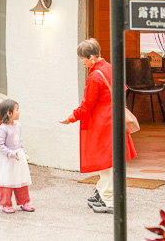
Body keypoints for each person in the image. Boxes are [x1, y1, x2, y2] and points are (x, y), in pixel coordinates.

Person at [60, 38, 136, 214]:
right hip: (114, 118)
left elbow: (87, 105)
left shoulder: (95, 76)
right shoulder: (110, 68)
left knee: (106, 163)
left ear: (92, 57)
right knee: (111, 161)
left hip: (103, 122)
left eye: (83, 59)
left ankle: (108, 201)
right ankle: (103, 193)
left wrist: (71, 117)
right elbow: (123, 90)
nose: (82, 62)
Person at [0, 98, 35, 214]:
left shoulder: (18, 125)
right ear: (9, 113)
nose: (19, 112)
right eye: (16, 110)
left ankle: (24, 202)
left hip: (18, 157)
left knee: (21, 179)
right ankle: (6, 204)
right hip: (6, 159)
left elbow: (19, 142)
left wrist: (24, 153)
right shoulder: (2, 128)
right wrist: (12, 154)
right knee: (6, 181)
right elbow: (0, 145)